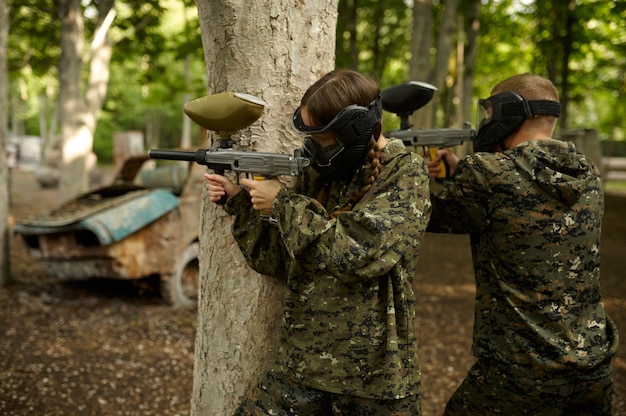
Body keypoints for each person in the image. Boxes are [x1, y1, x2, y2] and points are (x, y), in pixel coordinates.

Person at [205, 69, 432, 415]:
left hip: (373, 382)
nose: (314, 147)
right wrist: (240, 203)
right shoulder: (320, 175)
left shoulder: (405, 172)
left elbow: (357, 255)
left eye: (324, 138)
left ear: (355, 129)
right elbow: (276, 259)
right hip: (302, 368)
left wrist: (282, 202)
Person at [426, 73, 619, 415]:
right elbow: (522, 199)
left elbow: (425, 214)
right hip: (593, 366)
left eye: (489, 111)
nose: (486, 121)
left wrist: (391, 160)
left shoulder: (488, 174)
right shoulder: (586, 173)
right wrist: (460, 175)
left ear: (506, 112)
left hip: (522, 373)